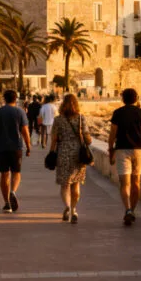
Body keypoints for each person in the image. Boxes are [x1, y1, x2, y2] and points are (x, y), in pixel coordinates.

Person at [108, 88, 141, 226]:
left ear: (123, 99)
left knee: (124, 183)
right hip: (138, 150)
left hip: (122, 150)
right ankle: (132, 210)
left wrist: (111, 150)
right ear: (136, 98)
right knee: (136, 182)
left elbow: (112, 134)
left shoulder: (118, 113)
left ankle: (127, 210)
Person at [49, 94, 91, 223]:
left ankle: (67, 206)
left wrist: (51, 153)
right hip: (78, 155)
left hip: (63, 154)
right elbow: (88, 139)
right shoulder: (81, 118)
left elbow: (54, 139)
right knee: (76, 184)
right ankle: (73, 210)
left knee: (65, 184)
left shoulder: (58, 120)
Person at [0, 89, 31, 213]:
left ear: (4, 98)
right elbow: (25, 131)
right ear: (16, 99)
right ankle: (13, 191)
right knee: (16, 172)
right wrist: (29, 147)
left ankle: (7, 203)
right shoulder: (20, 112)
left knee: (4, 174)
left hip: (1, 147)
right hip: (16, 147)